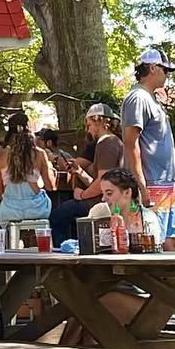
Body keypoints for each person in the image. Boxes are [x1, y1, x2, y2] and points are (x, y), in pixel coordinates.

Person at [57, 168, 162, 346]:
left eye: (109, 193)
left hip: (146, 299)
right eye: (103, 193)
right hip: (116, 290)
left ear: (127, 192)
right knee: (84, 310)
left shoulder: (146, 220)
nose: (104, 199)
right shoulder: (111, 219)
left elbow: (150, 259)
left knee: (86, 307)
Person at [122, 47, 175, 250]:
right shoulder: (137, 98)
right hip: (152, 182)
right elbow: (131, 144)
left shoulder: (151, 98)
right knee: (154, 241)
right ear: (153, 68)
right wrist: (141, 186)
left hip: (165, 181)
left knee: (171, 239)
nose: (167, 75)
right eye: (166, 70)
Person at [50, 104, 124, 244]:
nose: (87, 130)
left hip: (103, 202)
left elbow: (103, 181)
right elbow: (102, 182)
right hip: (105, 198)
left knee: (58, 216)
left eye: (89, 125)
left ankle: (64, 254)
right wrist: (80, 172)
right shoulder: (112, 142)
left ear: (99, 121)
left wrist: (83, 195)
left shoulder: (107, 143)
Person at [0, 111, 55, 226]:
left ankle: (12, 241)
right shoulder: (40, 153)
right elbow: (50, 186)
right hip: (37, 210)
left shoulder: (0, 156)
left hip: (9, 211)